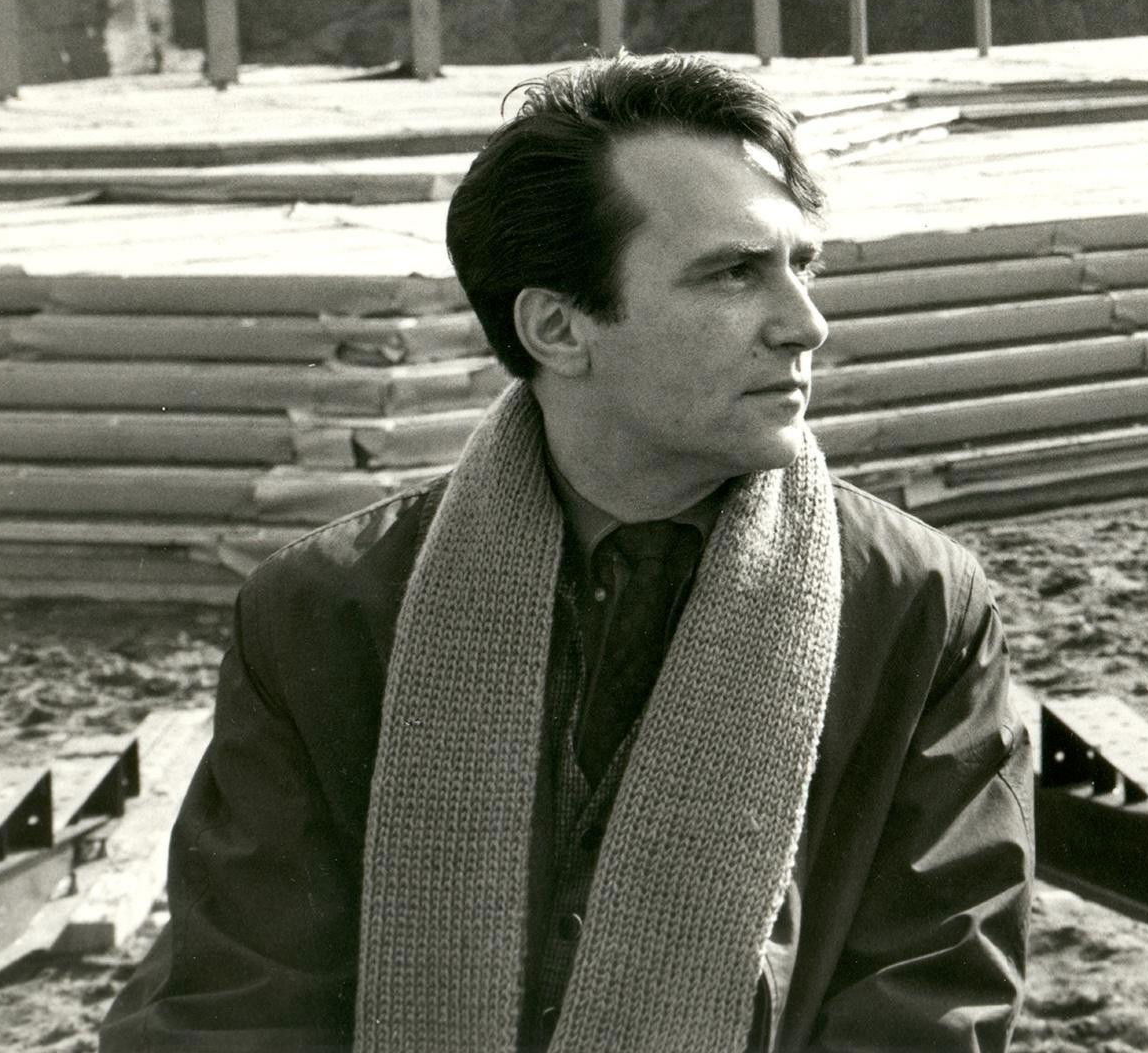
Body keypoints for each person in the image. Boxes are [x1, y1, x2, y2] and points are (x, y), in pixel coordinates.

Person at [101, 53, 1032, 1052]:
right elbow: (238, 1002)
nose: (806, 324)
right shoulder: (328, 611)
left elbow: (928, 1004)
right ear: (557, 327)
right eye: (734, 272)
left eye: (801, 265)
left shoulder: (913, 606)